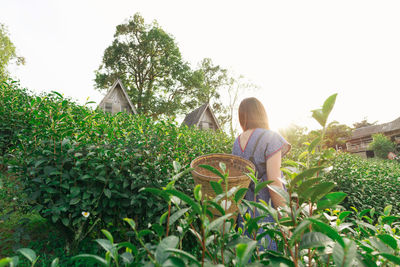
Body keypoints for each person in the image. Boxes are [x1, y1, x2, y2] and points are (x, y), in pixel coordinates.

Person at [232, 97, 291, 251]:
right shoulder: (270, 137)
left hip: (244, 215)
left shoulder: (237, 143)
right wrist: (285, 220)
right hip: (266, 215)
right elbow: (274, 183)